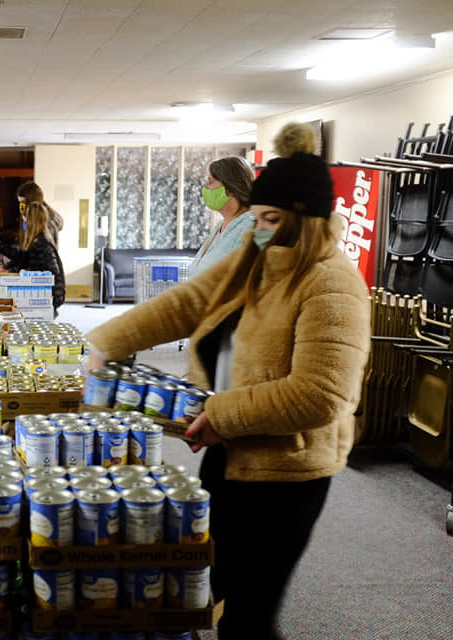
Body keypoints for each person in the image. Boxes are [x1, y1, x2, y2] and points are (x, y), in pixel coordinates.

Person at [83, 123, 371, 640]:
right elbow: (189, 302)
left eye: (270, 218)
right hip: (230, 446)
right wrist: (108, 340)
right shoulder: (259, 259)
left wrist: (223, 413)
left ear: (305, 220)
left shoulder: (332, 283)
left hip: (287, 472)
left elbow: (322, 394)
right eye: (256, 217)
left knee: (250, 609)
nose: (257, 229)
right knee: (210, 578)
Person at [0, 200, 66, 311]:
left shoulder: (41, 243)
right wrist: (8, 268)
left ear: (31, 221)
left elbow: (51, 273)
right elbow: (22, 257)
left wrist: (27, 273)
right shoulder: (36, 240)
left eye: (25, 220)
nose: (24, 223)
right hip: (44, 296)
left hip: (48, 297)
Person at [190, 156, 255, 275]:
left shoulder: (250, 228)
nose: (206, 187)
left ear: (229, 189)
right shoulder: (221, 226)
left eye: (210, 182)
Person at [17, 181, 64, 247]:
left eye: (23, 202)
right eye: (20, 202)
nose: (21, 206)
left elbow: (47, 252)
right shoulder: (31, 219)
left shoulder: (47, 222)